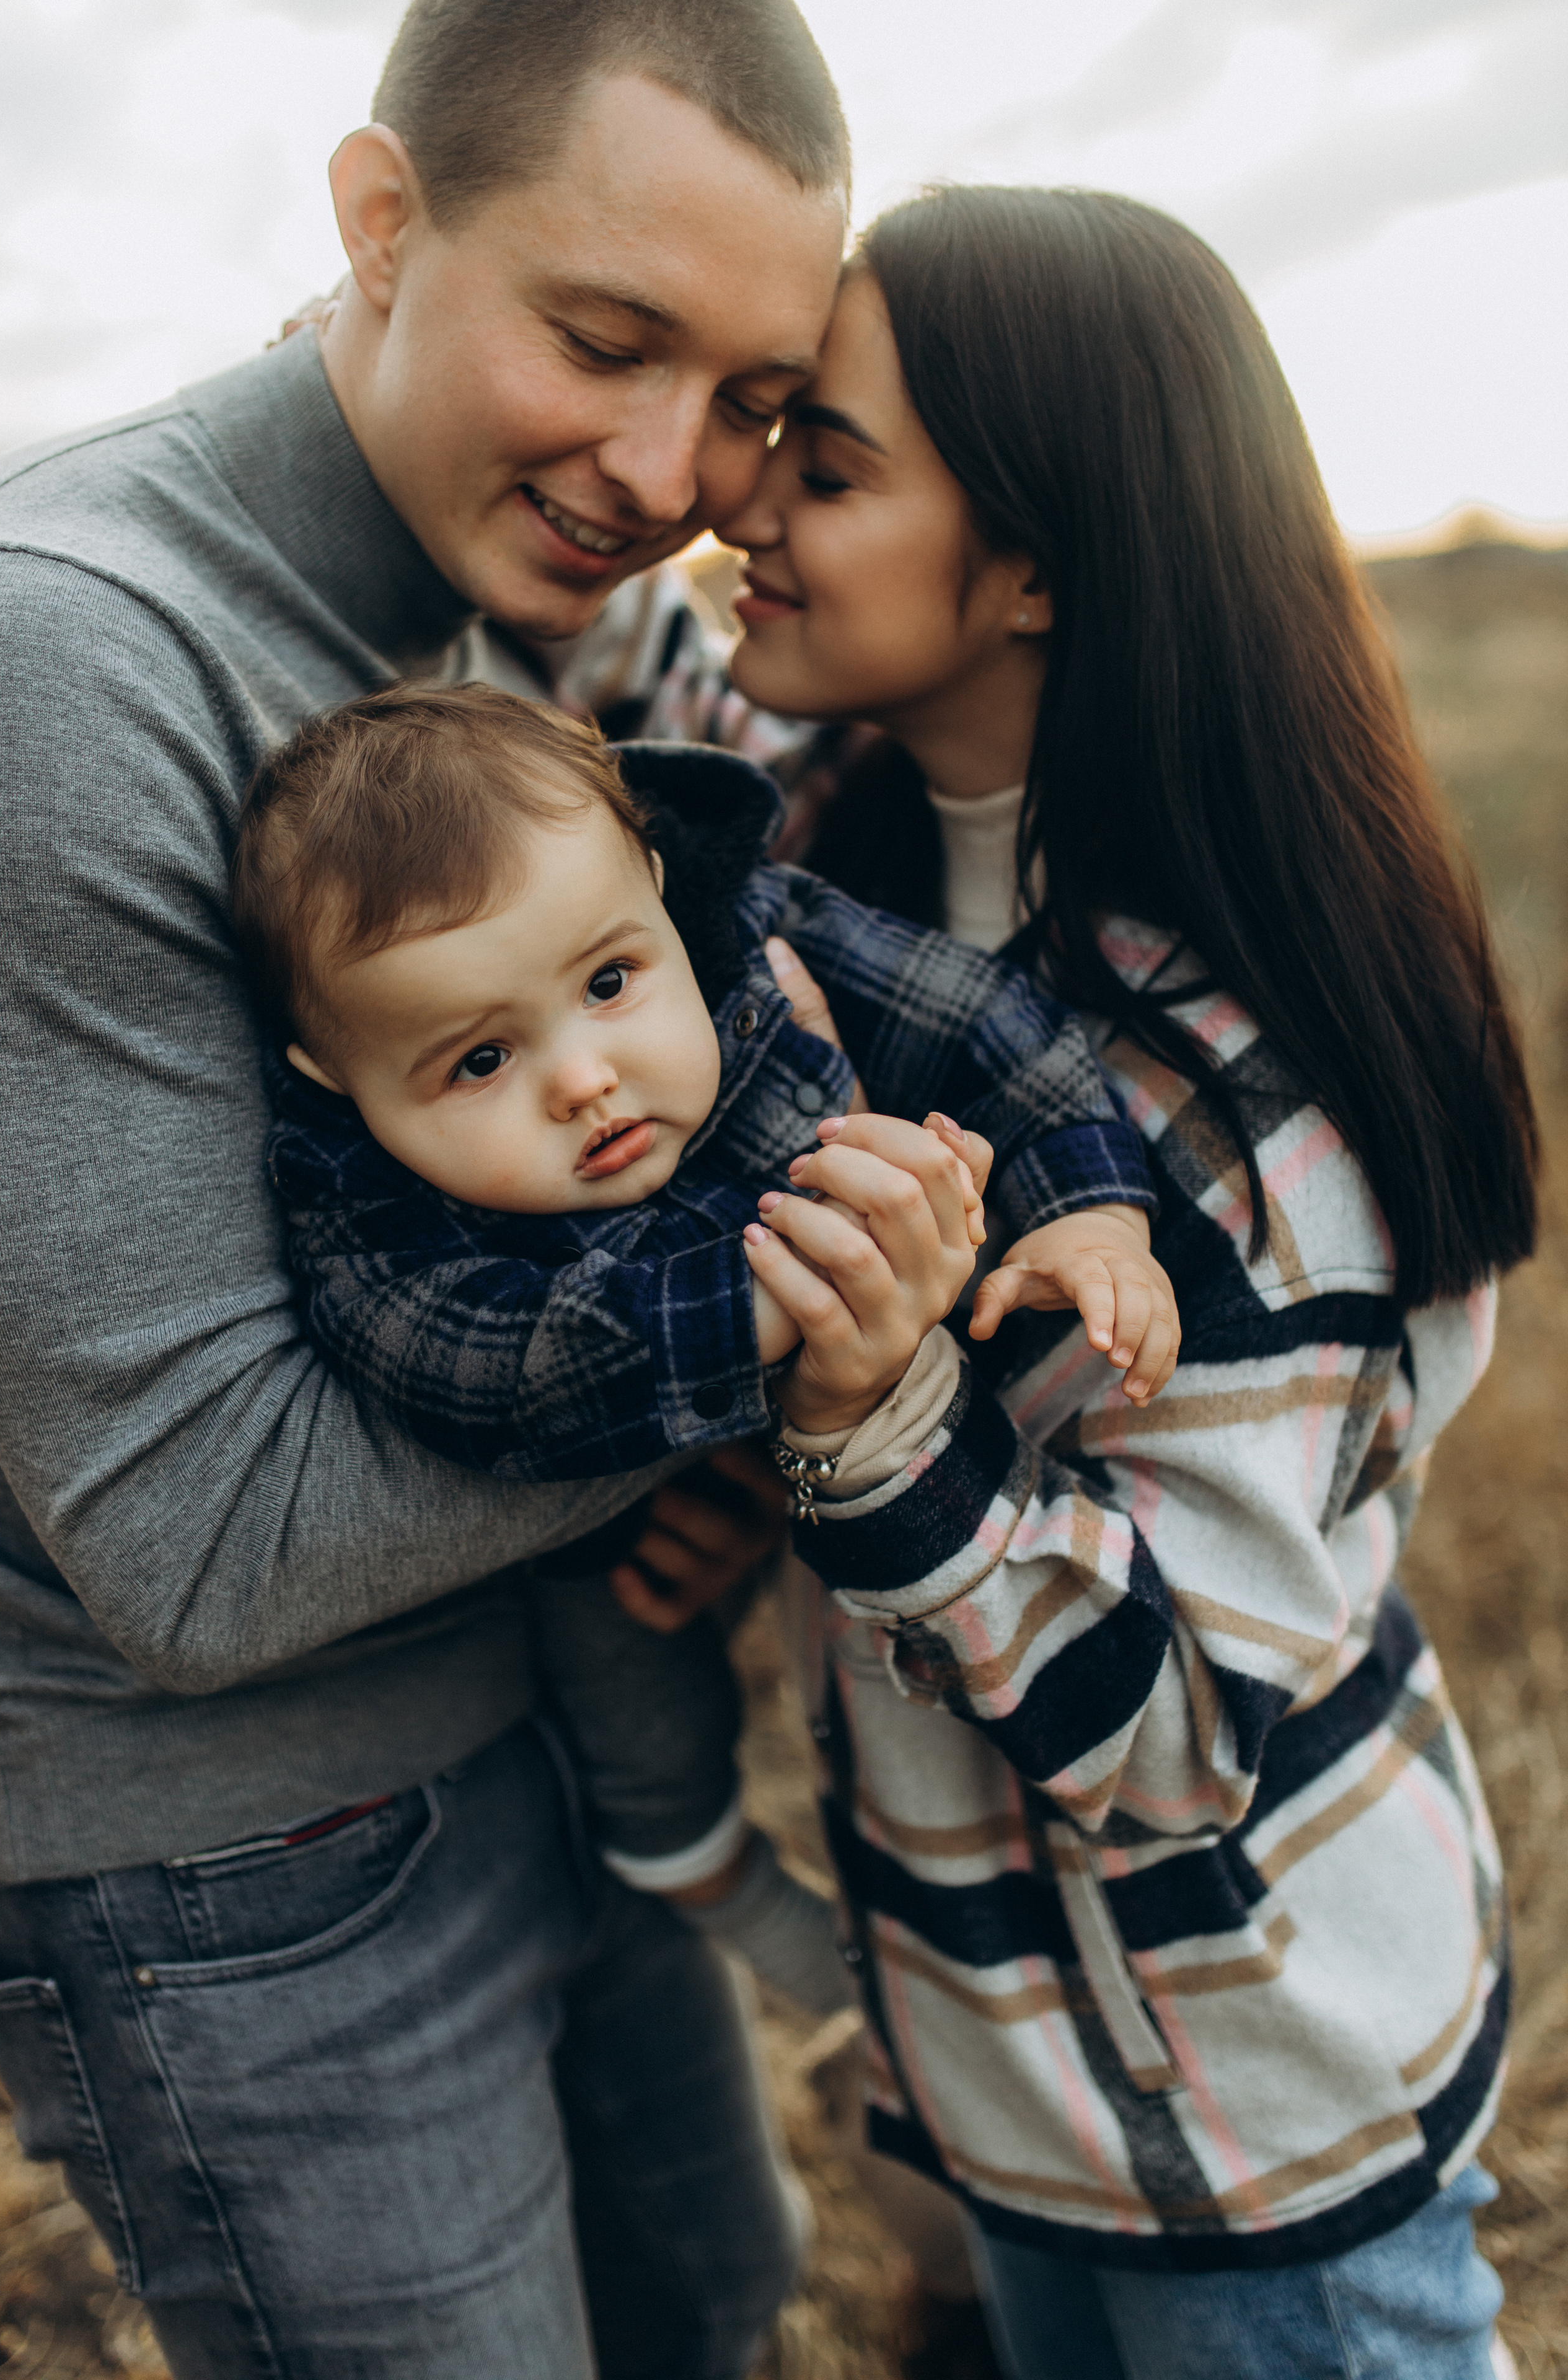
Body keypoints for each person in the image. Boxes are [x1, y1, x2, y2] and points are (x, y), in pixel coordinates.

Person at [0, 5, 870, 2373]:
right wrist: (787, 1359)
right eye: (605, 338)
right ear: (381, 226)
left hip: (554, 1714)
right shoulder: (57, 663)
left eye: (751, 395)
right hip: (248, 1859)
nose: (669, 470)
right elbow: (195, 1541)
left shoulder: (526, 597)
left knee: (719, 2301)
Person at [705, 187, 1537, 2378]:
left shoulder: (1232, 1116)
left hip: (1254, 2131)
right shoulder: (836, 889)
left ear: (1042, 567)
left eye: (826, 467)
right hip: (1007, 2081)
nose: (739, 506)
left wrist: (868, 1434)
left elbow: (1169, 1745)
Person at [229, 681, 1176, 2007]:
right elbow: (495, 1372)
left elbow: (975, 1019)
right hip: (609, 1516)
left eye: (610, 983)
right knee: (627, 1672)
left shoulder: (753, 933)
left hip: (851, 1487)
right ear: (338, 1078)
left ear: (661, 895)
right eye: (479, 1062)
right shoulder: (358, 1203)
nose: (582, 1078)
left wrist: (1091, 1211)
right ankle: (696, 1859)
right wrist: (792, 1291)